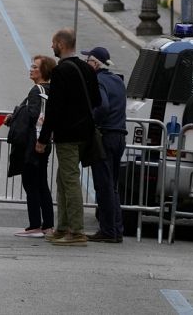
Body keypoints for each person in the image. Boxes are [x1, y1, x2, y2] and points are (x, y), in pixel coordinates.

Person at [35, 29, 99, 247]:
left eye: (53, 43)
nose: (51, 46)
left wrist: (43, 139)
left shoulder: (61, 71)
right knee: (62, 179)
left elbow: (54, 109)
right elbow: (97, 100)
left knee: (70, 180)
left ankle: (76, 231)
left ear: (61, 44)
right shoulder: (87, 69)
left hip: (68, 135)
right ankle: (62, 227)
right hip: (85, 134)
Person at [6, 55, 56, 238]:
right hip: (42, 143)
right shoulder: (50, 89)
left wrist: (37, 143)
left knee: (32, 183)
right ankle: (47, 225)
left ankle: (37, 225)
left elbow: (35, 117)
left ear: (43, 71)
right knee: (41, 183)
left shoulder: (37, 90)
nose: (31, 69)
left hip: (33, 145)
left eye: (35, 67)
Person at [84, 46, 127, 244]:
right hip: (119, 136)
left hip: (105, 136)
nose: (85, 65)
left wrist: (92, 122)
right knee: (113, 186)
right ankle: (116, 229)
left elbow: (102, 106)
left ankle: (108, 230)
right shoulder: (117, 80)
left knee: (103, 185)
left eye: (87, 62)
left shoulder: (97, 80)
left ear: (95, 64)